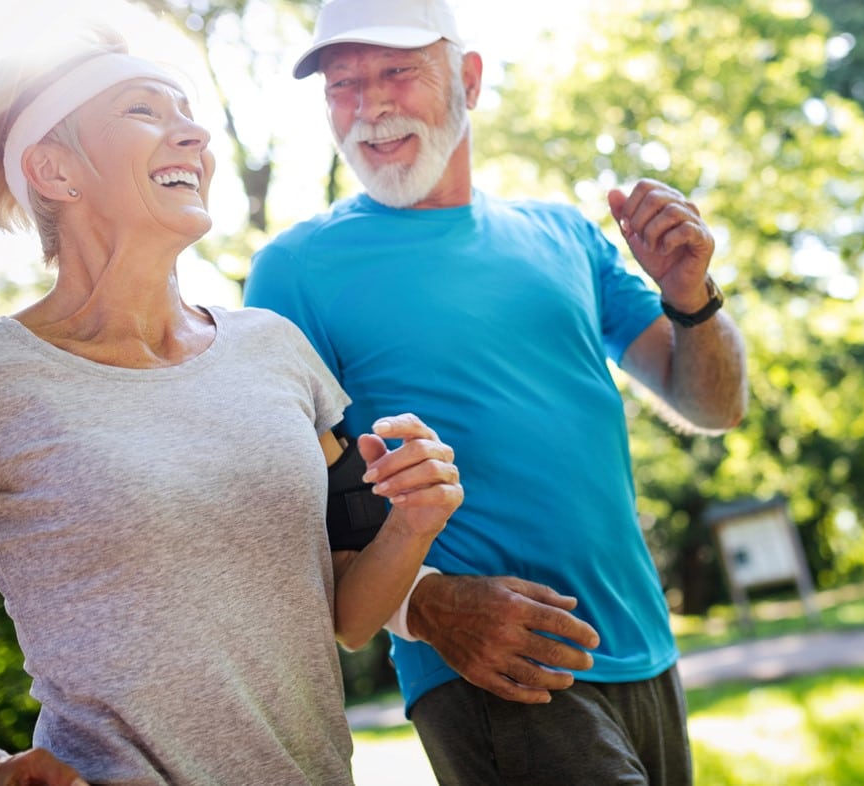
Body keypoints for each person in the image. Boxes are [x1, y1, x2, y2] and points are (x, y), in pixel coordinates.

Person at [243, 1, 749, 783]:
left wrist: (691, 296)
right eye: (343, 84)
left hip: (646, 647)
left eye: (397, 72)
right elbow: (288, 511)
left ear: (469, 80)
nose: (369, 106)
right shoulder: (295, 270)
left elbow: (712, 406)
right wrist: (431, 607)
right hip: (495, 667)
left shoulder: (563, 234)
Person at [0, 27, 463, 786]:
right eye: (143, 110)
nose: (193, 133)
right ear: (55, 170)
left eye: (188, 111)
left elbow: (349, 617)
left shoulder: (274, 348)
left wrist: (415, 521)